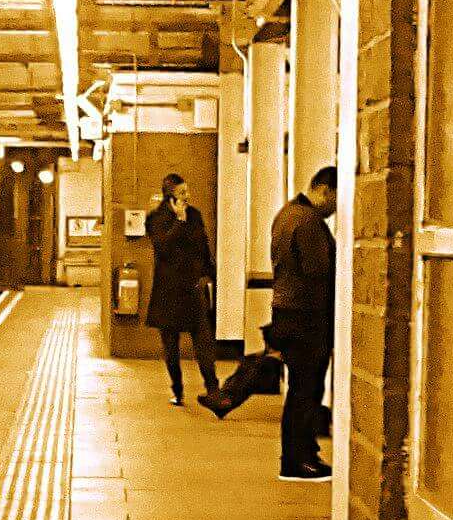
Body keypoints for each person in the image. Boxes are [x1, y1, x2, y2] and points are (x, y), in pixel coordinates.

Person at [206, 166, 336, 480]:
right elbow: (319, 271)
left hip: (287, 311)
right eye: (336, 199)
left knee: (297, 386)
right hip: (306, 316)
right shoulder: (309, 222)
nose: (336, 208)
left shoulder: (286, 214)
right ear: (323, 191)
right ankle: (298, 460)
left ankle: (300, 454)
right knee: (306, 390)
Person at [140, 170, 216, 402]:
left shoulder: (195, 215)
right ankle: (177, 389)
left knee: (203, 339)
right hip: (168, 291)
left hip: (192, 288)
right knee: (170, 344)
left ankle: (213, 388)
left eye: (187, 191)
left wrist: (209, 274)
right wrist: (179, 222)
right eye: (182, 193)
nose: (187, 196)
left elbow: (203, 246)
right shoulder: (156, 219)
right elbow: (162, 247)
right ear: (170, 196)